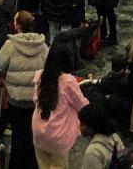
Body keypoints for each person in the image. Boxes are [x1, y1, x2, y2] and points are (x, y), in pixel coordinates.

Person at [0, 10, 49, 169]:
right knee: (33, 135)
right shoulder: (42, 46)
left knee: (17, 136)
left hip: (15, 99)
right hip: (35, 99)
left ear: (17, 25)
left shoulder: (10, 45)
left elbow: (0, 66)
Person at [32, 40, 90, 169]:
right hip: (58, 136)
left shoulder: (39, 75)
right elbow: (82, 105)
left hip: (38, 132)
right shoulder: (68, 81)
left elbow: (35, 99)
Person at [78, 102, 128, 169]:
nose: (79, 127)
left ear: (91, 128)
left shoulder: (93, 152)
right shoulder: (115, 137)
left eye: (82, 124)